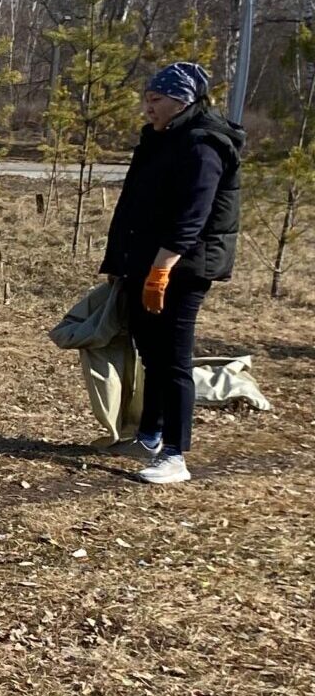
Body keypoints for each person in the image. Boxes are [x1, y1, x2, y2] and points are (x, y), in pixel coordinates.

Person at [99, 61, 244, 486]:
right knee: (151, 355)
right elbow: (131, 208)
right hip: (143, 264)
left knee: (174, 362)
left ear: (181, 101)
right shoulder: (160, 140)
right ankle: (149, 435)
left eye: (156, 100)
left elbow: (192, 216)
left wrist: (160, 271)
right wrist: (120, 265)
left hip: (182, 269)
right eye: (146, 99)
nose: (148, 108)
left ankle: (176, 455)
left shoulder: (203, 146)